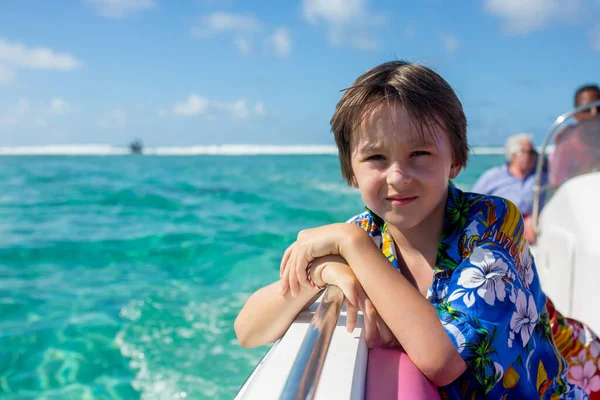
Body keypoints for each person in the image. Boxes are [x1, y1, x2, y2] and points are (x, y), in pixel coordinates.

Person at [235, 61, 589, 398]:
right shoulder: (368, 231)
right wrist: (325, 270)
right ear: (351, 172)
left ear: (456, 159)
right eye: (376, 158)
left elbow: (442, 361)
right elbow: (249, 330)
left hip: (577, 377)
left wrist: (351, 244)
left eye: (419, 153)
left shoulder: (492, 223)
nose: (398, 177)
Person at [470, 134, 542, 244]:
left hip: (534, 232)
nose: (535, 156)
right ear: (514, 155)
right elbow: (471, 203)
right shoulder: (493, 176)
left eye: (535, 153)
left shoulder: (542, 178)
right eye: (530, 152)